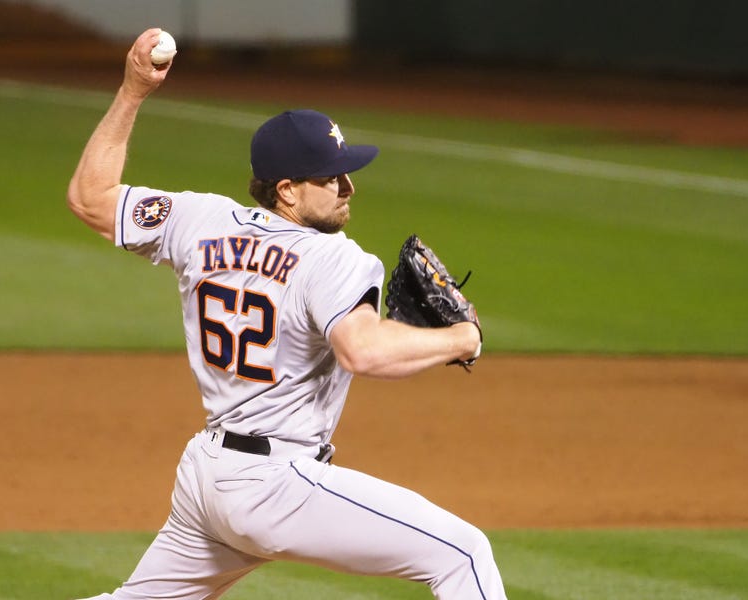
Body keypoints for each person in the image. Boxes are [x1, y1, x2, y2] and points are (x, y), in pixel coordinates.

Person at [68, 28, 507, 600]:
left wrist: (131, 92)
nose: (348, 186)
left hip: (208, 479)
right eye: (331, 177)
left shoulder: (198, 220)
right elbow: (363, 351)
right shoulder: (334, 258)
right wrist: (462, 338)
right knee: (462, 554)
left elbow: (89, 198)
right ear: (288, 191)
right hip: (275, 486)